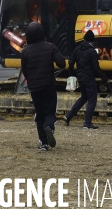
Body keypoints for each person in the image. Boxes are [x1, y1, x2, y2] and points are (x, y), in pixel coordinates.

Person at [20, 21, 65, 151]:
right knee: (49, 110)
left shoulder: (25, 51)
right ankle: (49, 127)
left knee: (39, 114)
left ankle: (43, 144)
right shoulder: (50, 46)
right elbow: (61, 63)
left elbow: (25, 70)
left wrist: (31, 80)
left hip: (34, 87)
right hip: (48, 85)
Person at [64, 30, 112, 129]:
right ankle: (87, 123)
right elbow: (96, 67)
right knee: (92, 100)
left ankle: (68, 116)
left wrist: (71, 74)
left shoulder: (77, 49)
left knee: (83, 98)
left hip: (80, 77)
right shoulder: (92, 51)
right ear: (92, 40)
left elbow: (71, 61)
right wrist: (104, 78)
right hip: (89, 77)